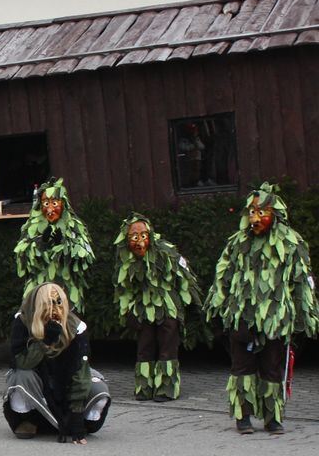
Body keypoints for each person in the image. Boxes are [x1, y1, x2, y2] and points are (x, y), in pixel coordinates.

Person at [203, 183, 319, 434]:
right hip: (242, 314)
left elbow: (301, 281)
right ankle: (243, 417)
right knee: (242, 365)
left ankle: (272, 418)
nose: (255, 218)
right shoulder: (236, 244)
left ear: (274, 215)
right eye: (252, 212)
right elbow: (222, 276)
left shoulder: (291, 243)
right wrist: (218, 304)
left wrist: (305, 313)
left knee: (272, 367)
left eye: (261, 212)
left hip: (276, 317)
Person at [3, 282, 111, 444]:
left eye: (58, 302)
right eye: (47, 303)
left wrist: (76, 420)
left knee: (98, 388)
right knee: (21, 377)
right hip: (37, 379)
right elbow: (22, 363)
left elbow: (80, 370)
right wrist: (44, 341)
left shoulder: (75, 327)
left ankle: (78, 421)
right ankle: (28, 420)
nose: (54, 309)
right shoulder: (24, 322)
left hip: (66, 379)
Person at [113, 214, 202, 401]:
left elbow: (184, 276)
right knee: (145, 346)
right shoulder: (126, 260)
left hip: (167, 307)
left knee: (167, 346)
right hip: (143, 309)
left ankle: (165, 388)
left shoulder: (165, 252)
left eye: (143, 236)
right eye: (134, 237)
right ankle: (144, 387)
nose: (139, 242)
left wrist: (190, 301)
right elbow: (124, 288)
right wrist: (127, 310)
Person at [13, 177, 94, 310]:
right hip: (39, 290)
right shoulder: (30, 228)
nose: (50, 210)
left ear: (63, 204)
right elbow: (22, 258)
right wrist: (41, 243)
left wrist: (63, 246)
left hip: (65, 289)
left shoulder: (74, 227)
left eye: (54, 203)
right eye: (45, 204)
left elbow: (84, 259)